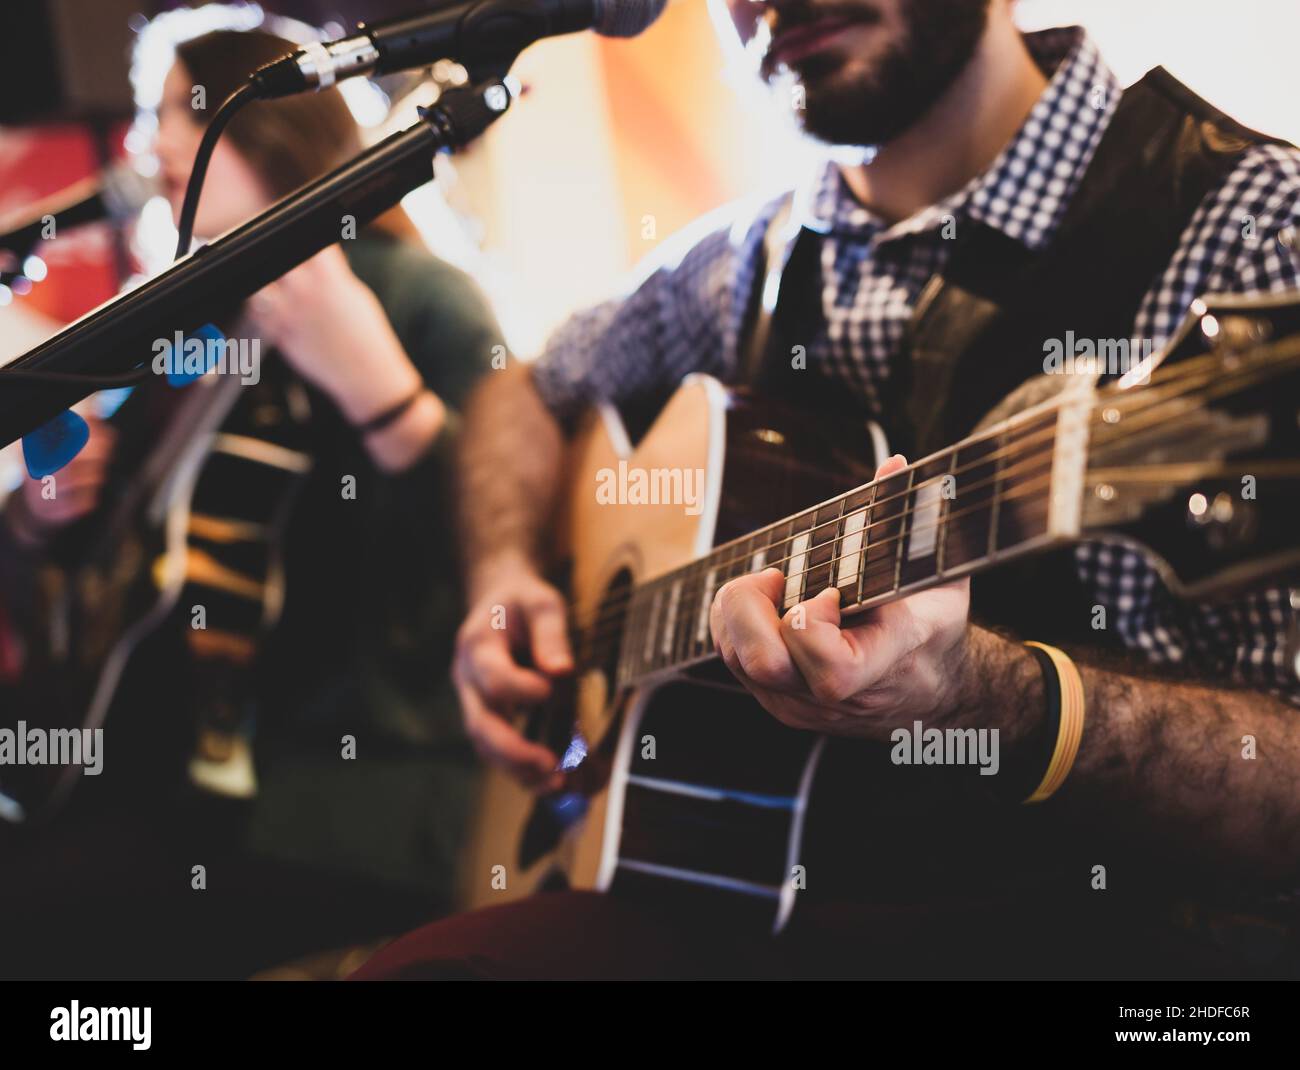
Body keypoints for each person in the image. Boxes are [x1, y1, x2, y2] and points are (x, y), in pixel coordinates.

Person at [354, 0, 1300, 980]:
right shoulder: (740, 262)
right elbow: (529, 388)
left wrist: (990, 696)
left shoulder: (1251, 223)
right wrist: (507, 573)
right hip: (759, 905)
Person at [0, 21, 504, 979]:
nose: (159, 146)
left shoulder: (419, 301)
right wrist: (42, 512)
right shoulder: (178, 330)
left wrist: (386, 400)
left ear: (279, 126)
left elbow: (501, 562)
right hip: (154, 778)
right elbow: (78, 568)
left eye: (186, 112)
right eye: (153, 120)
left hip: (337, 807)